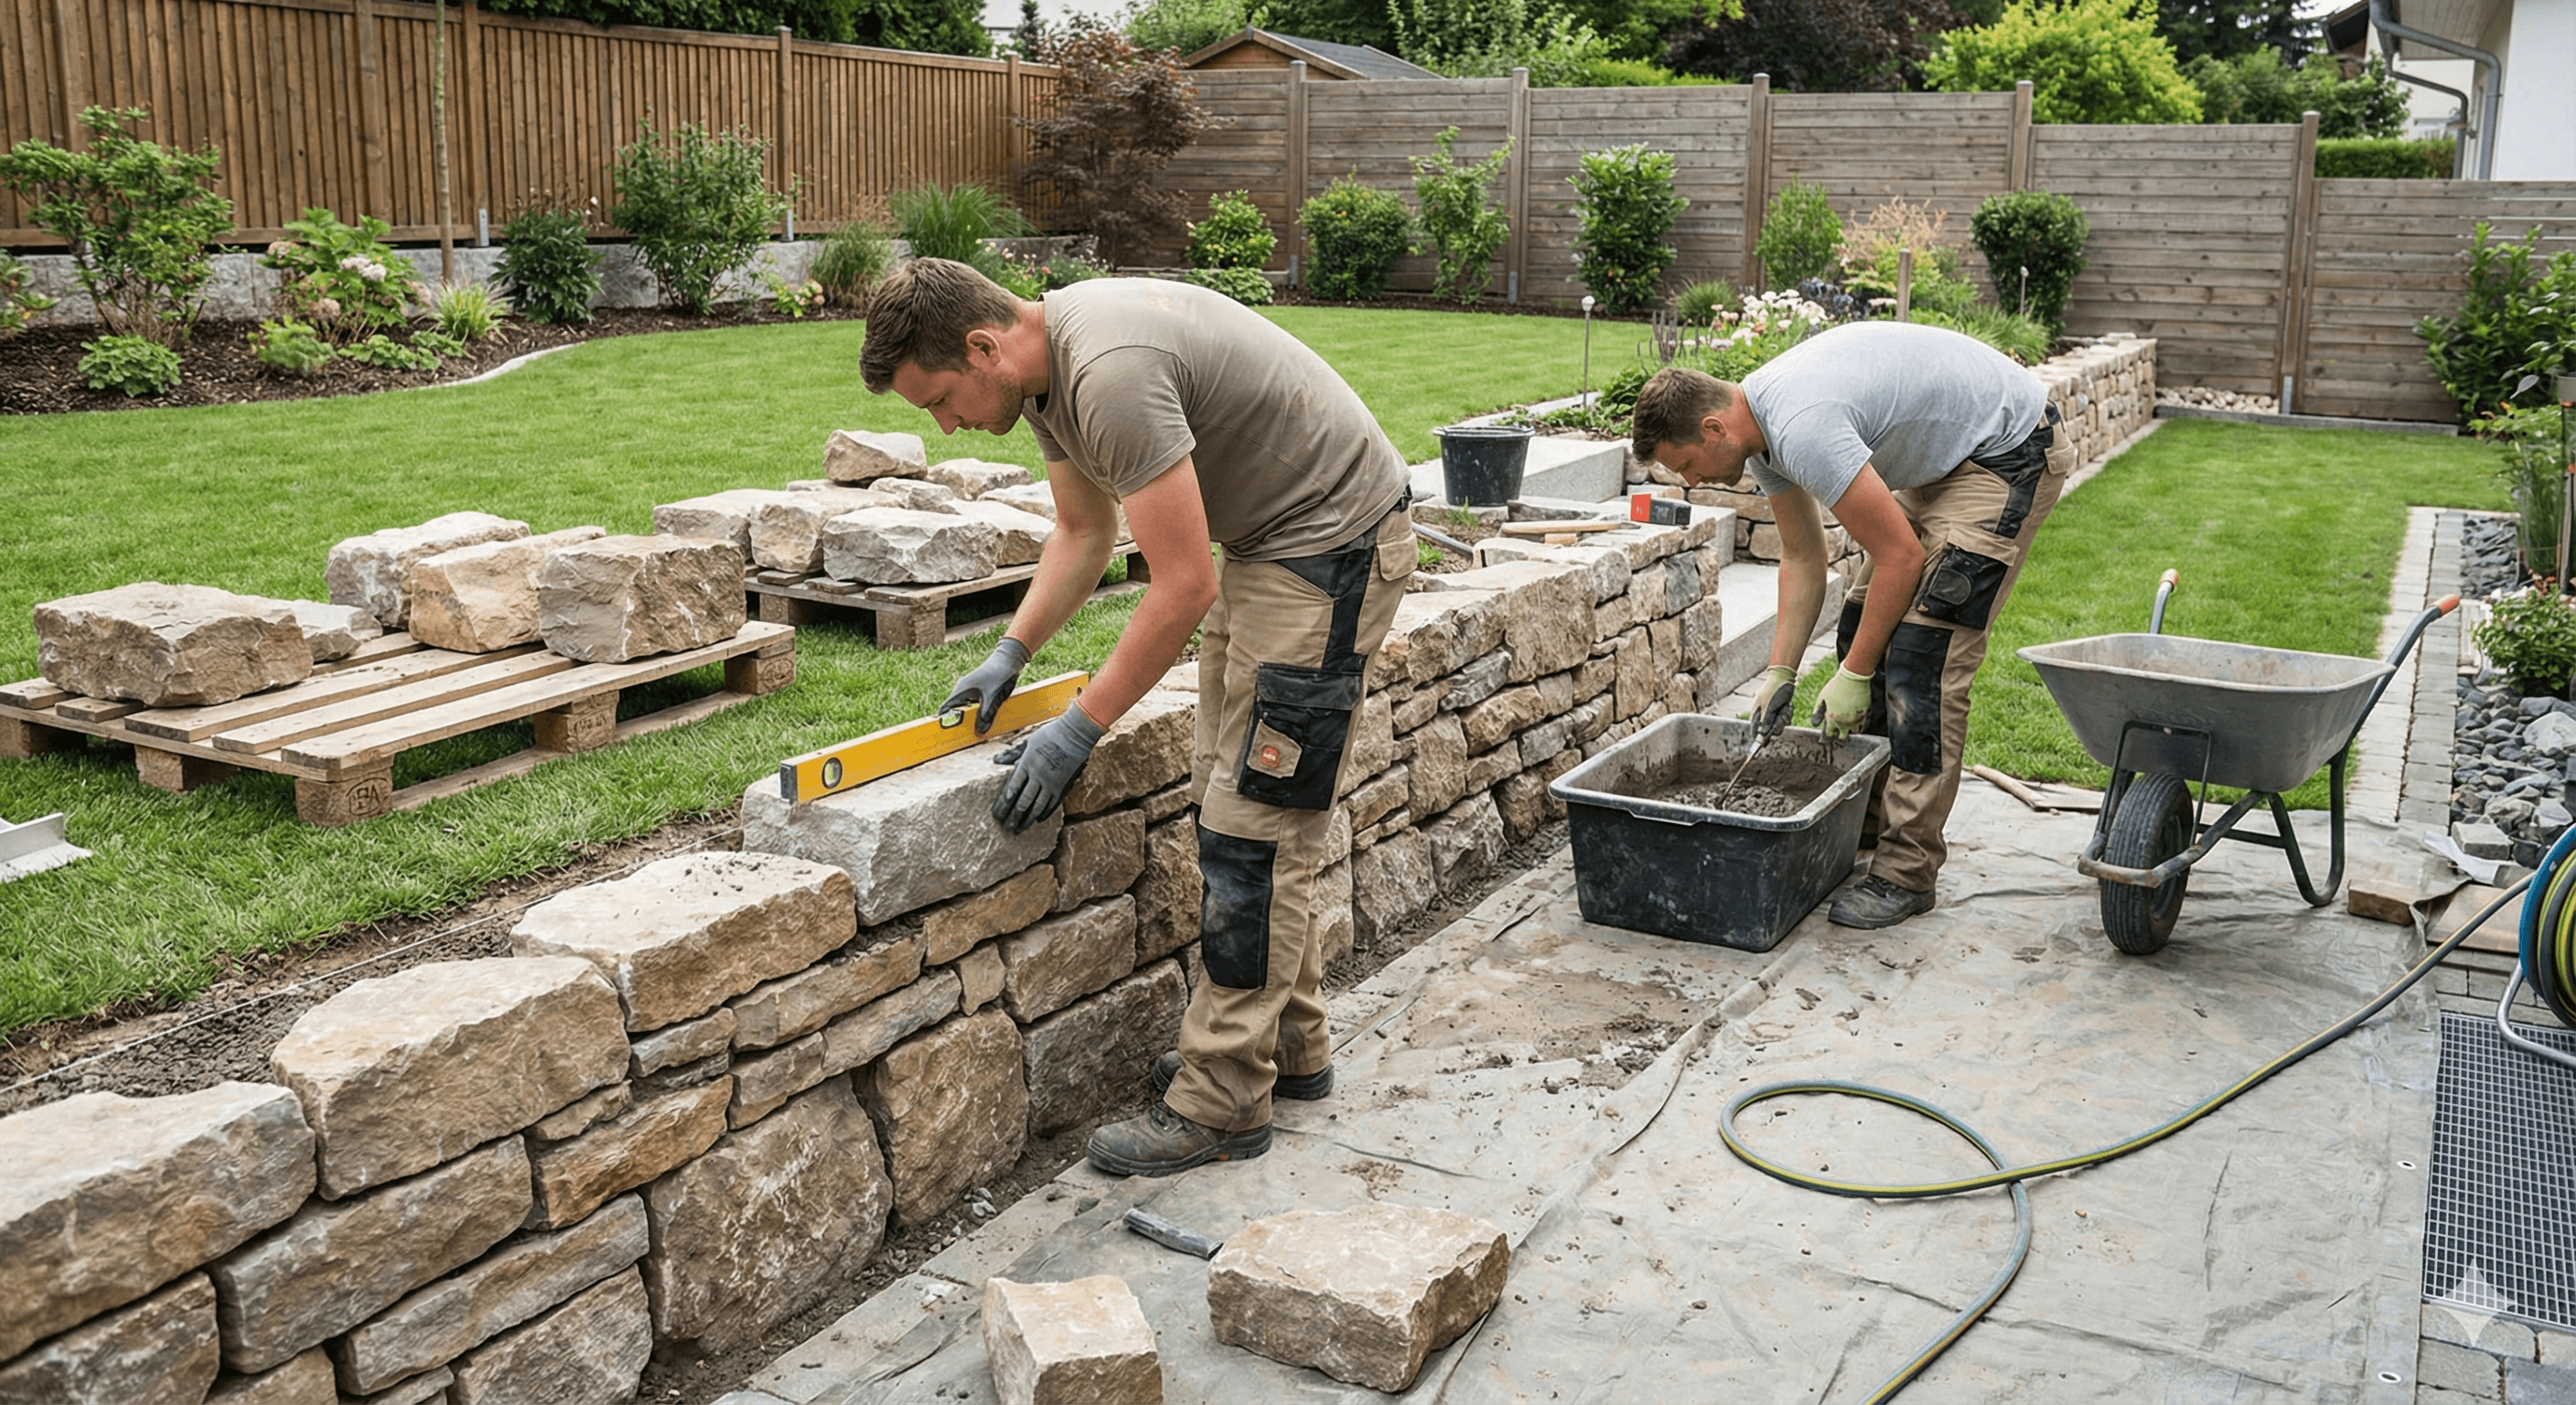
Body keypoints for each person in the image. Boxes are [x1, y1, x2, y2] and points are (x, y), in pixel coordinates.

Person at [858, 258, 1415, 1176]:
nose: (947, 424)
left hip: (1330, 548)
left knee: (1255, 834)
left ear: (981, 344)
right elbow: (1082, 533)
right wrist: (1012, 652)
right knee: (1234, 813)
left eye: (942, 400)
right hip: (1275, 545)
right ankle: (1289, 1048)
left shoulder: (1107, 372)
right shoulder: (1040, 381)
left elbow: (1182, 584)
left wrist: (1079, 728)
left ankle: (1225, 1099)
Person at [1628, 320, 2074, 928]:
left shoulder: (1799, 427)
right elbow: (1803, 557)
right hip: (1945, 460)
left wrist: (1857, 673)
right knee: (1861, 623)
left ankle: (1906, 872)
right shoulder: (1758, 433)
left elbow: (1901, 558)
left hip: (2008, 452)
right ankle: (1865, 820)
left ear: (1712, 429)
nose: (1691, 482)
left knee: (1922, 659)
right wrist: (1781, 671)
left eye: (1687, 465)